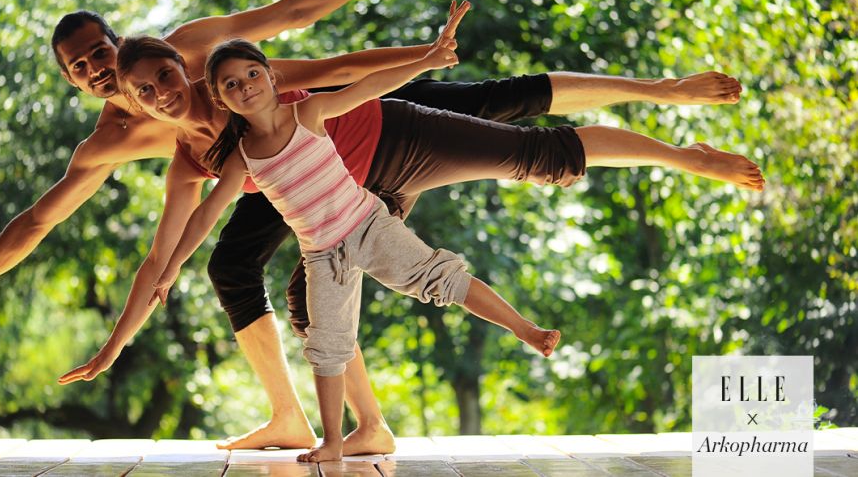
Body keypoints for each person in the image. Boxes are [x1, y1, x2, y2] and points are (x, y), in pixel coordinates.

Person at [0, 0, 754, 451]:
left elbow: (300, 26)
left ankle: (663, 103)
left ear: (129, 47)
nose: (101, 71)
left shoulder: (199, 58)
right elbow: (53, 223)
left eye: (104, 53)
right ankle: (334, 423)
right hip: (309, 184)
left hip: (350, 123)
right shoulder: (141, 148)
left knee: (498, 112)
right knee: (259, 273)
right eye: (83, 68)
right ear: (85, 84)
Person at [150, 31, 562, 463]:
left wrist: (428, 59)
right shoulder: (241, 157)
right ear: (219, 98)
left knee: (440, 279)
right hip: (322, 256)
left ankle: (525, 329)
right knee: (325, 346)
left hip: (368, 224)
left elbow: (369, 86)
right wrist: (173, 264)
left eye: (252, 74)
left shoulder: (308, 110)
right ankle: (332, 441)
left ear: (272, 77)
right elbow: (206, 214)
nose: (245, 85)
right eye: (231, 84)